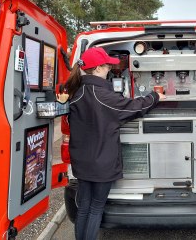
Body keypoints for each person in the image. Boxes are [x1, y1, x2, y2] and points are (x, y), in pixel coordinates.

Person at [66, 47, 165, 240]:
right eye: (106, 66)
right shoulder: (101, 95)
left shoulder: (76, 92)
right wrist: (155, 97)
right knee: (96, 207)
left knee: (84, 207)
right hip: (101, 163)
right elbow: (134, 107)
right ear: (96, 69)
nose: (109, 70)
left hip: (82, 161)